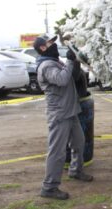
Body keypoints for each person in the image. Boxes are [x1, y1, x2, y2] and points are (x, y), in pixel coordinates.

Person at [34, 35, 93, 200]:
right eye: (49, 43)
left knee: (79, 143)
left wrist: (75, 60)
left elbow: (71, 77)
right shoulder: (46, 65)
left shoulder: (55, 61)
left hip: (71, 111)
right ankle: (49, 187)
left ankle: (76, 171)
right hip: (59, 114)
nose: (53, 44)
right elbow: (61, 80)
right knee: (57, 152)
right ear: (42, 48)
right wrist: (68, 61)